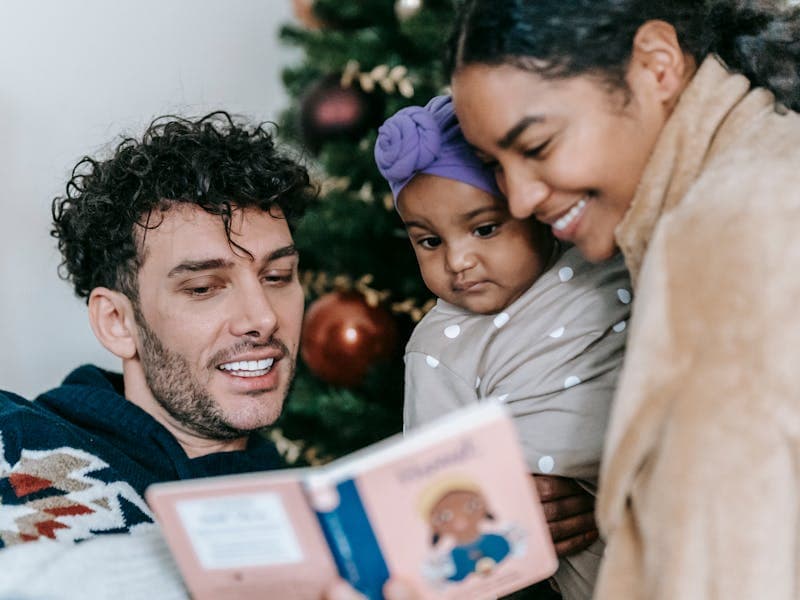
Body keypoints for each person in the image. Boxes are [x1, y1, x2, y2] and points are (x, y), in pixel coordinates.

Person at [0, 111, 599, 600]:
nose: (263, 318)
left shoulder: (320, 524)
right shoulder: (13, 432)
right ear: (117, 321)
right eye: (204, 288)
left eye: (279, 275)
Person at [447, 1, 800, 598]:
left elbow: (734, 565)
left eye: (536, 146)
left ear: (657, 66)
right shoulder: (763, 173)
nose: (521, 199)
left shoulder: (725, 230)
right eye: (495, 166)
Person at [375, 94, 630, 599]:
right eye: (429, 241)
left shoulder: (603, 255)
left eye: (485, 229)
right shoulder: (438, 350)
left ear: (531, 206)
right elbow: (438, 496)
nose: (458, 261)